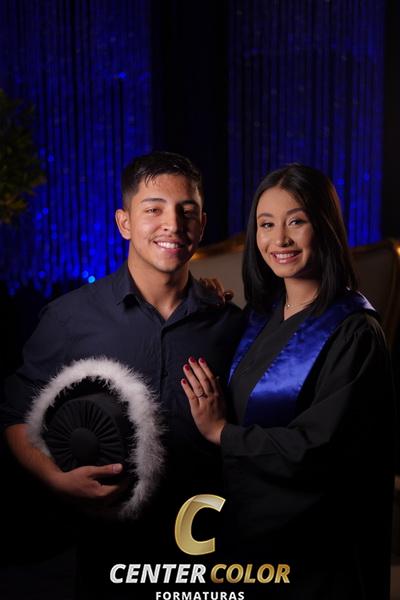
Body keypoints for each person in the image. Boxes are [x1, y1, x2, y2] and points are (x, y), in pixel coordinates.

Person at [0, 151, 244, 598]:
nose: (172, 224)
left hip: (207, 549)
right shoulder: (69, 318)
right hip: (108, 555)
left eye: (186, 211)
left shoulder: (232, 324)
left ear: (202, 224)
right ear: (124, 223)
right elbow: (13, 413)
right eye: (153, 210)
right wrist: (54, 478)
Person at [181, 164, 395, 599]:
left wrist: (223, 434)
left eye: (296, 221)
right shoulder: (259, 319)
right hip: (252, 545)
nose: (279, 239)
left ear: (325, 226)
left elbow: (324, 451)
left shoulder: (355, 332)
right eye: (266, 224)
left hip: (318, 556)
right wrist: (206, 304)